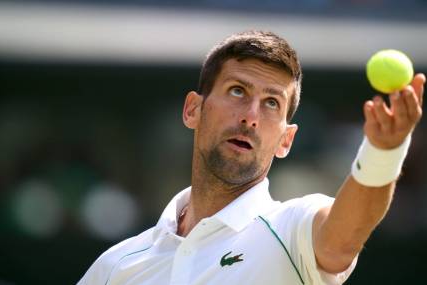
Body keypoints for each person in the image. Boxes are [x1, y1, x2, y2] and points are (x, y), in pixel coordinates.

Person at [77, 30, 425, 285]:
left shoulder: (293, 229)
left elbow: (341, 241)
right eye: (238, 91)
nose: (251, 116)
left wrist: (383, 152)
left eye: (272, 103)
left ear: (285, 140)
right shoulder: (115, 267)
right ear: (193, 110)